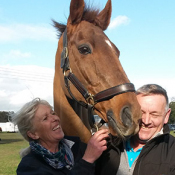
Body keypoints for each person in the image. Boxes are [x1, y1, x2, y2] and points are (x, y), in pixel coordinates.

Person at [13, 98, 109, 175]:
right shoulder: (29, 167)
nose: (55, 118)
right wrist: (87, 160)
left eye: (53, 113)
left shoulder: (77, 147)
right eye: (45, 118)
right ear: (33, 134)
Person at [95, 84, 175, 175]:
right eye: (141, 112)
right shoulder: (107, 145)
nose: (146, 121)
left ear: (166, 116)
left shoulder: (172, 152)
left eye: (154, 114)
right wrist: (87, 159)